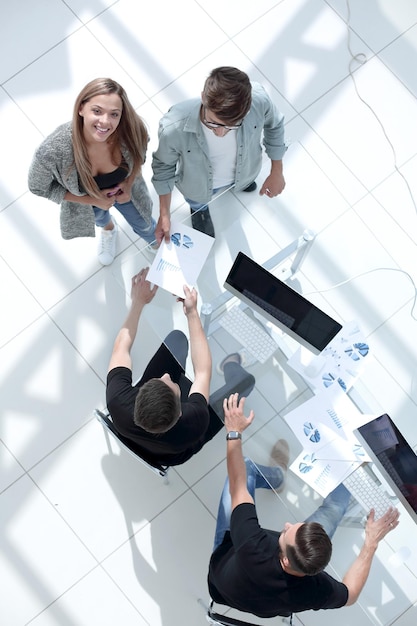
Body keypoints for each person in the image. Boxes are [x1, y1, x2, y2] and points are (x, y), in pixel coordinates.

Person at [207, 394, 400, 619]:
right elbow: (351, 594)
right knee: (334, 509)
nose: (287, 524)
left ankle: (277, 476)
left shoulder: (252, 545)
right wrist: (371, 544)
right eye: (295, 527)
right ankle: (354, 461)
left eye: (287, 531)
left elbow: (238, 485)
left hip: (220, 581)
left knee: (247, 467)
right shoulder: (315, 590)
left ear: (287, 560)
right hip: (257, 602)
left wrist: (234, 431)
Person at [105, 267, 256, 467]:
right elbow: (203, 372)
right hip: (172, 452)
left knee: (177, 339)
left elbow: (120, 349)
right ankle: (230, 364)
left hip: (135, 434)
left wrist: (138, 302)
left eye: (160, 380)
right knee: (247, 382)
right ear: (181, 411)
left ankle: (216, 370)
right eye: (170, 383)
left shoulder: (118, 400)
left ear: (139, 394)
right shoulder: (194, 421)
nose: (167, 375)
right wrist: (192, 313)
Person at [28, 78, 156, 266]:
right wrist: (91, 200)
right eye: (97, 111)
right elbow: (37, 188)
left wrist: (128, 185)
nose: (105, 122)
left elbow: (140, 154)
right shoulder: (52, 150)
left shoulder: (132, 130)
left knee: (145, 224)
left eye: (114, 114)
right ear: (81, 108)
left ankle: (154, 242)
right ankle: (109, 230)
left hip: (126, 193)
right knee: (101, 218)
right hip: (86, 202)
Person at [151, 66, 287, 240]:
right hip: (198, 186)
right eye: (213, 123)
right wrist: (164, 214)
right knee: (198, 200)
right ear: (203, 98)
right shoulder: (174, 127)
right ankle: (199, 209)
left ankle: (241, 182)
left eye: (233, 125)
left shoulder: (260, 102)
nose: (221, 133)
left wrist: (277, 171)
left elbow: (274, 126)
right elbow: (163, 167)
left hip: (246, 168)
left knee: (245, 179)